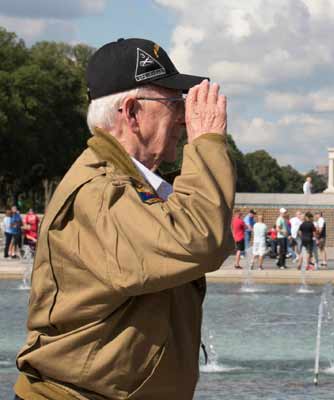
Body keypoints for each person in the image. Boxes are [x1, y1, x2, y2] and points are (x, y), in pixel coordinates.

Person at [14, 38, 235, 400]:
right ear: (131, 112)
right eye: (173, 102)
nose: (183, 116)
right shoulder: (100, 192)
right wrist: (207, 142)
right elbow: (199, 241)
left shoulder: (131, 185)